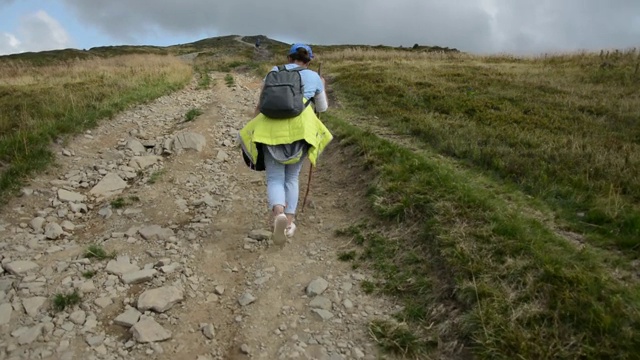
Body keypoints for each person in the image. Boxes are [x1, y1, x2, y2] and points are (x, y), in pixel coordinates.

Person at [238, 43, 331, 245]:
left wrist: (253, 127)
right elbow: (322, 108)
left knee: (274, 177)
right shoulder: (314, 77)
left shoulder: (274, 72)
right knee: (292, 177)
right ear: (309, 60)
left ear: (289, 58)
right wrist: (321, 85)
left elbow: (261, 102)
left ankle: (278, 213)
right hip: (301, 133)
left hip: (269, 131)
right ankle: (289, 222)